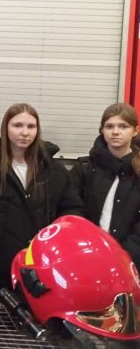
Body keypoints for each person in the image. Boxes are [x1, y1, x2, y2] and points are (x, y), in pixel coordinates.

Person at [0, 103, 84, 302]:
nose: (25, 132)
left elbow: (73, 214)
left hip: (44, 271)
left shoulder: (54, 171)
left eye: (31, 126)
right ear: (6, 128)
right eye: (17, 125)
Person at [70, 102, 140, 266]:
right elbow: (70, 208)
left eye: (123, 126)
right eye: (109, 126)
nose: (115, 132)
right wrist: (86, 245)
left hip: (130, 263)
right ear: (102, 130)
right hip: (85, 258)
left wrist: (124, 256)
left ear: (135, 131)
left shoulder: (137, 171)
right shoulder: (84, 168)